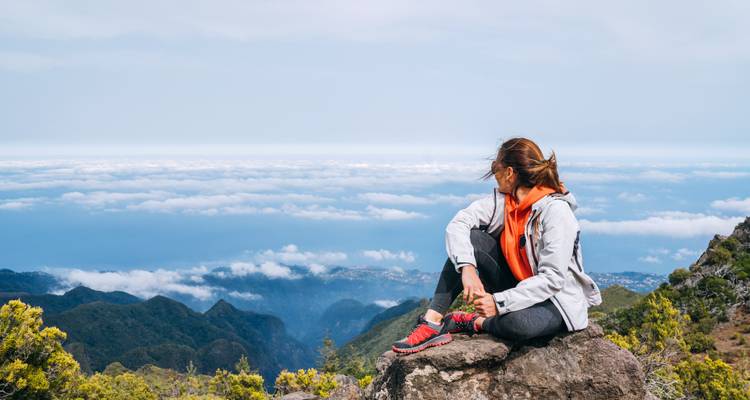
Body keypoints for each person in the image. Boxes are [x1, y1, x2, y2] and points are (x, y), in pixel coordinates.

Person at [392, 137, 602, 354]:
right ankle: (432, 322)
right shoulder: (504, 202)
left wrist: (499, 302)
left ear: (510, 173)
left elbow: (553, 279)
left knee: (519, 325)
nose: (495, 178)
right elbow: (459, 224)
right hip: (517, 285)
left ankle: (473, 322)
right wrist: (468, 268)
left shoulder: (556, 211)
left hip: (555, 299)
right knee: (473, 239)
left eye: (496, 170)